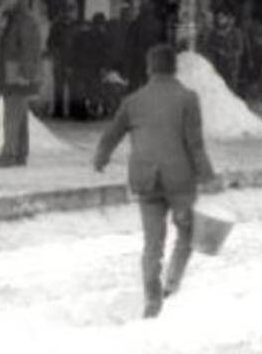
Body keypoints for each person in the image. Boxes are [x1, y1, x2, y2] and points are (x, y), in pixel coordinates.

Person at [93, 43, 219, 319]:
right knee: (186, 233)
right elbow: (195, 144)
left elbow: (112, 133)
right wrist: (208, 176)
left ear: (149, 68)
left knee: (152, 242)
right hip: (180, 180)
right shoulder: (188, 98)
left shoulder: (134, 100)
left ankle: (152, 298)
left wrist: (101, 157)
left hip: (145, 179)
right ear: (174, 68)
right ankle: (171, 283)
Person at [0, 0, 42, 167]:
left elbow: (29, 49)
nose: (3, 1)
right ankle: (20, 153)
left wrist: (25, 74)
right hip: (12, 71)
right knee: (19, 116)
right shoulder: (14, 18)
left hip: (17, 73)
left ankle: (9, 154)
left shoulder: (24, 19)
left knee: (12, 115)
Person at [200, 6, 246, 93]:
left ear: (227, 18)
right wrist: (217, 50)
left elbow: (239, 50)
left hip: (231, 67)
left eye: (222, 18)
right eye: (218, 18)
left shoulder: (235, 32)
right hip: (217, 66)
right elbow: (208, 46)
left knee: (230, 91)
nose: (219, 20)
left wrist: (227, 54)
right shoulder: (214, 32)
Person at [127, 0, 165, 91]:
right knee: (148, 78)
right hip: (151, 54)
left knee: (136, 79)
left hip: (137, 55)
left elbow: (130, 41)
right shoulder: (157, 23)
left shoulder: (136, 23)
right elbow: (160, 40)